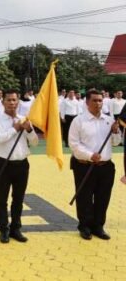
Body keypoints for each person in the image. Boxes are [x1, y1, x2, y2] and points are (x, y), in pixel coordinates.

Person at [68, 89, 120, 240]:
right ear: (87, 102)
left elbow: (116, 143)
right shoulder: (79, 121)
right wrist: (90, 155)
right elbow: (74, 144)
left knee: (103, 197)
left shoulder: (109, 120)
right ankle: (84, 226)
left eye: (100, 100)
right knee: (84, 197)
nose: (98, 103)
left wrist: (116, 132)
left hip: (105, 166)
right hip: (84, 165)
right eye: (94, 100)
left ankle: (98, 226)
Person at [0, 90, 38, 244]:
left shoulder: (24, 120)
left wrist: (29, 129)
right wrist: (15, 129)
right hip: (4, 164)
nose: (12, 103)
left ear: (18, 102)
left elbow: (35, 142)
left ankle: (15, 228)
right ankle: (3, 229)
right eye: (9, 100)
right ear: (2, 102)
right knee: (2, 199)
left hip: (22, 164)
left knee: (18, 198)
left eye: (14, 100)